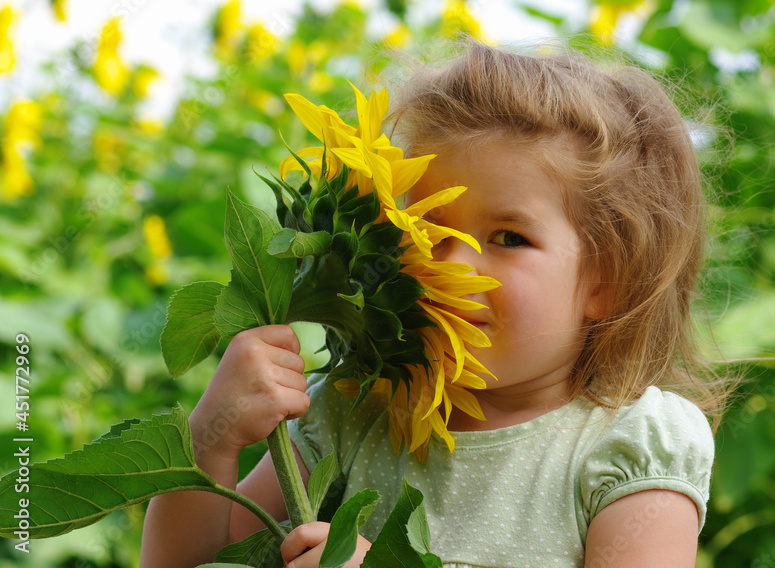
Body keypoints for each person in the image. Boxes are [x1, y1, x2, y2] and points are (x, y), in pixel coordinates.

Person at [140, 41, 728, 568]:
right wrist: (211, 441)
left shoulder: (629, 444)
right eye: (424, 228)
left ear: (608, 280)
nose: (451, 265)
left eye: (507, 238)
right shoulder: (351, 418)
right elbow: (192, 563)